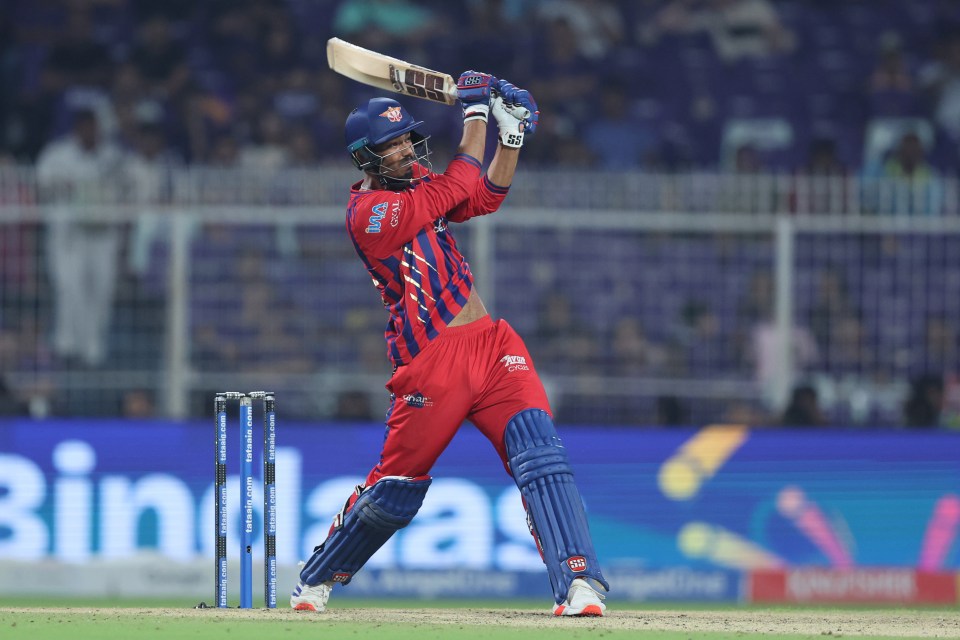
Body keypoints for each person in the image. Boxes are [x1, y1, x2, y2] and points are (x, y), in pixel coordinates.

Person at [289, 73, 609, 617]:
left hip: (492, 346)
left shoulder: (417, 181)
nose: (404, 151)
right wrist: (477, 114)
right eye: (389, 146)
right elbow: (459, 181)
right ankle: (317, 578)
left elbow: (483, 197)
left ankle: (579, 584)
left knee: (542, 457)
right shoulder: (369, 214)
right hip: (432, 361)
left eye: (405, 140)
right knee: (396, 490)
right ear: (365, 158)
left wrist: (511, 136)